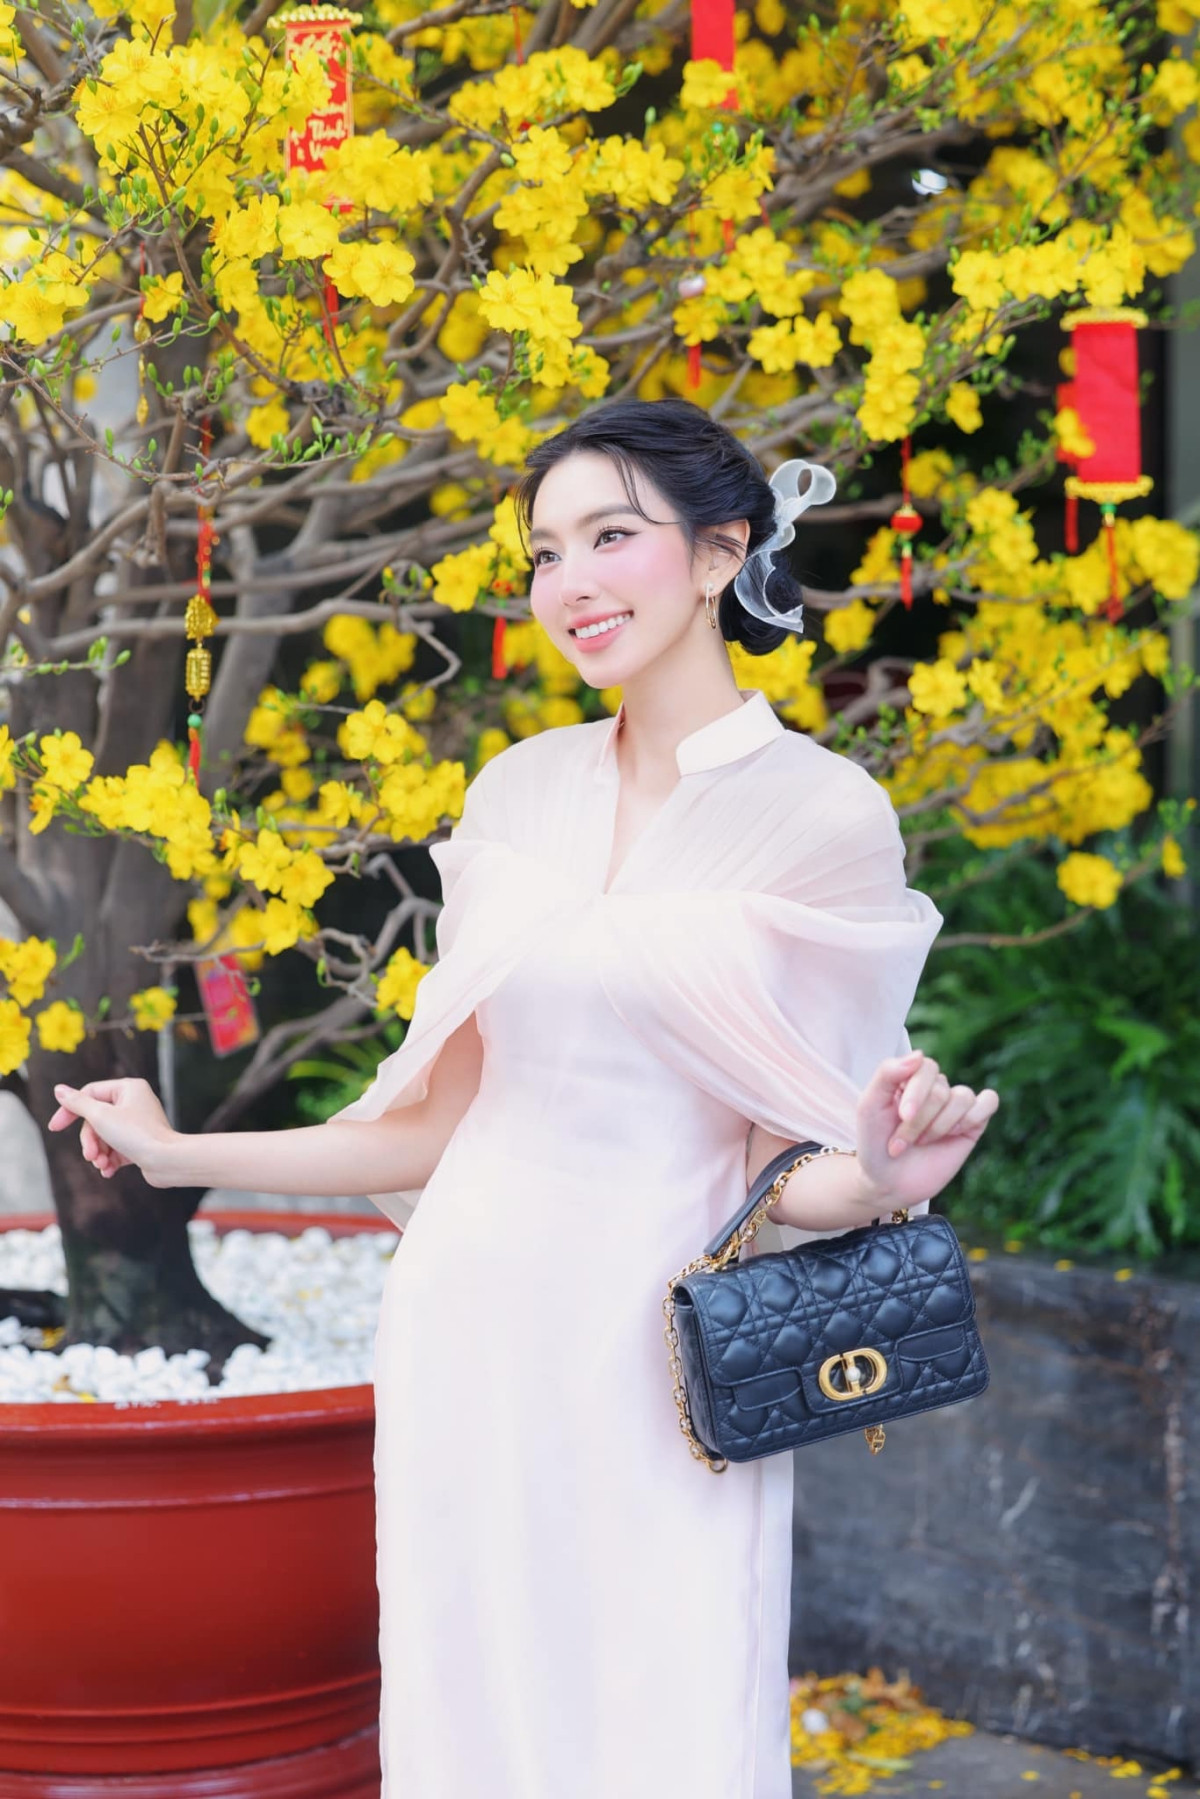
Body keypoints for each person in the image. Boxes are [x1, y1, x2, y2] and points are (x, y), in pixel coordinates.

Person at [49, 396, 999, 1799]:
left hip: (666, 1357)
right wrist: (177, 1150)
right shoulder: (517, 793)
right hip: (471, 1325)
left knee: (665, 1716)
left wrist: (879, 1177)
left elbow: (782, 1167)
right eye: (547, 552)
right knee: (470, 1712)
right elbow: (439, 1128)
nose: (570, 583)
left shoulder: (823, 814)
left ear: (721, 551)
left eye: (611, 537)